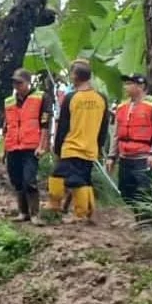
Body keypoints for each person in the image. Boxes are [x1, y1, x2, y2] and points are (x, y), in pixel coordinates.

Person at [49, 59, 109, 222]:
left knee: (61, 176)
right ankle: (88, 213)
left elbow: (63, 126)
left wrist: (57, 148)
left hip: (72, 146)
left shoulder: (71, 97)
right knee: (84, 179)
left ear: (75, 76)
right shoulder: (101, 98)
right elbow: (104, 127)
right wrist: (98, 147)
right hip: (90, 148)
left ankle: (71, 211)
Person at [107, 73, 152, 222]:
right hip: (125, 157)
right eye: (125, 83)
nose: (125, 87)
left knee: (145, 191)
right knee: (126, 190)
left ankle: (147, 223)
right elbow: (116, 133)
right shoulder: (122, 107)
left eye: (129, 84)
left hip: (144, 157)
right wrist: (111, 156)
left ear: (140, 86)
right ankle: (138, 216)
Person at [1, 69, 51, 222]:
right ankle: (23, 212)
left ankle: (35, 214)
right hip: (12, 147)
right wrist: (4, 150)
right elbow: (6, 127)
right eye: (14, 82)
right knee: (16, 181)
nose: (16, 85)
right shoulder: (9, 101)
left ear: (28, 82)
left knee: (29, 180)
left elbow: (45, 124)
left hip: (31, 147)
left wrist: (42, 146)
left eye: (20, 82)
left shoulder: (41, 97)